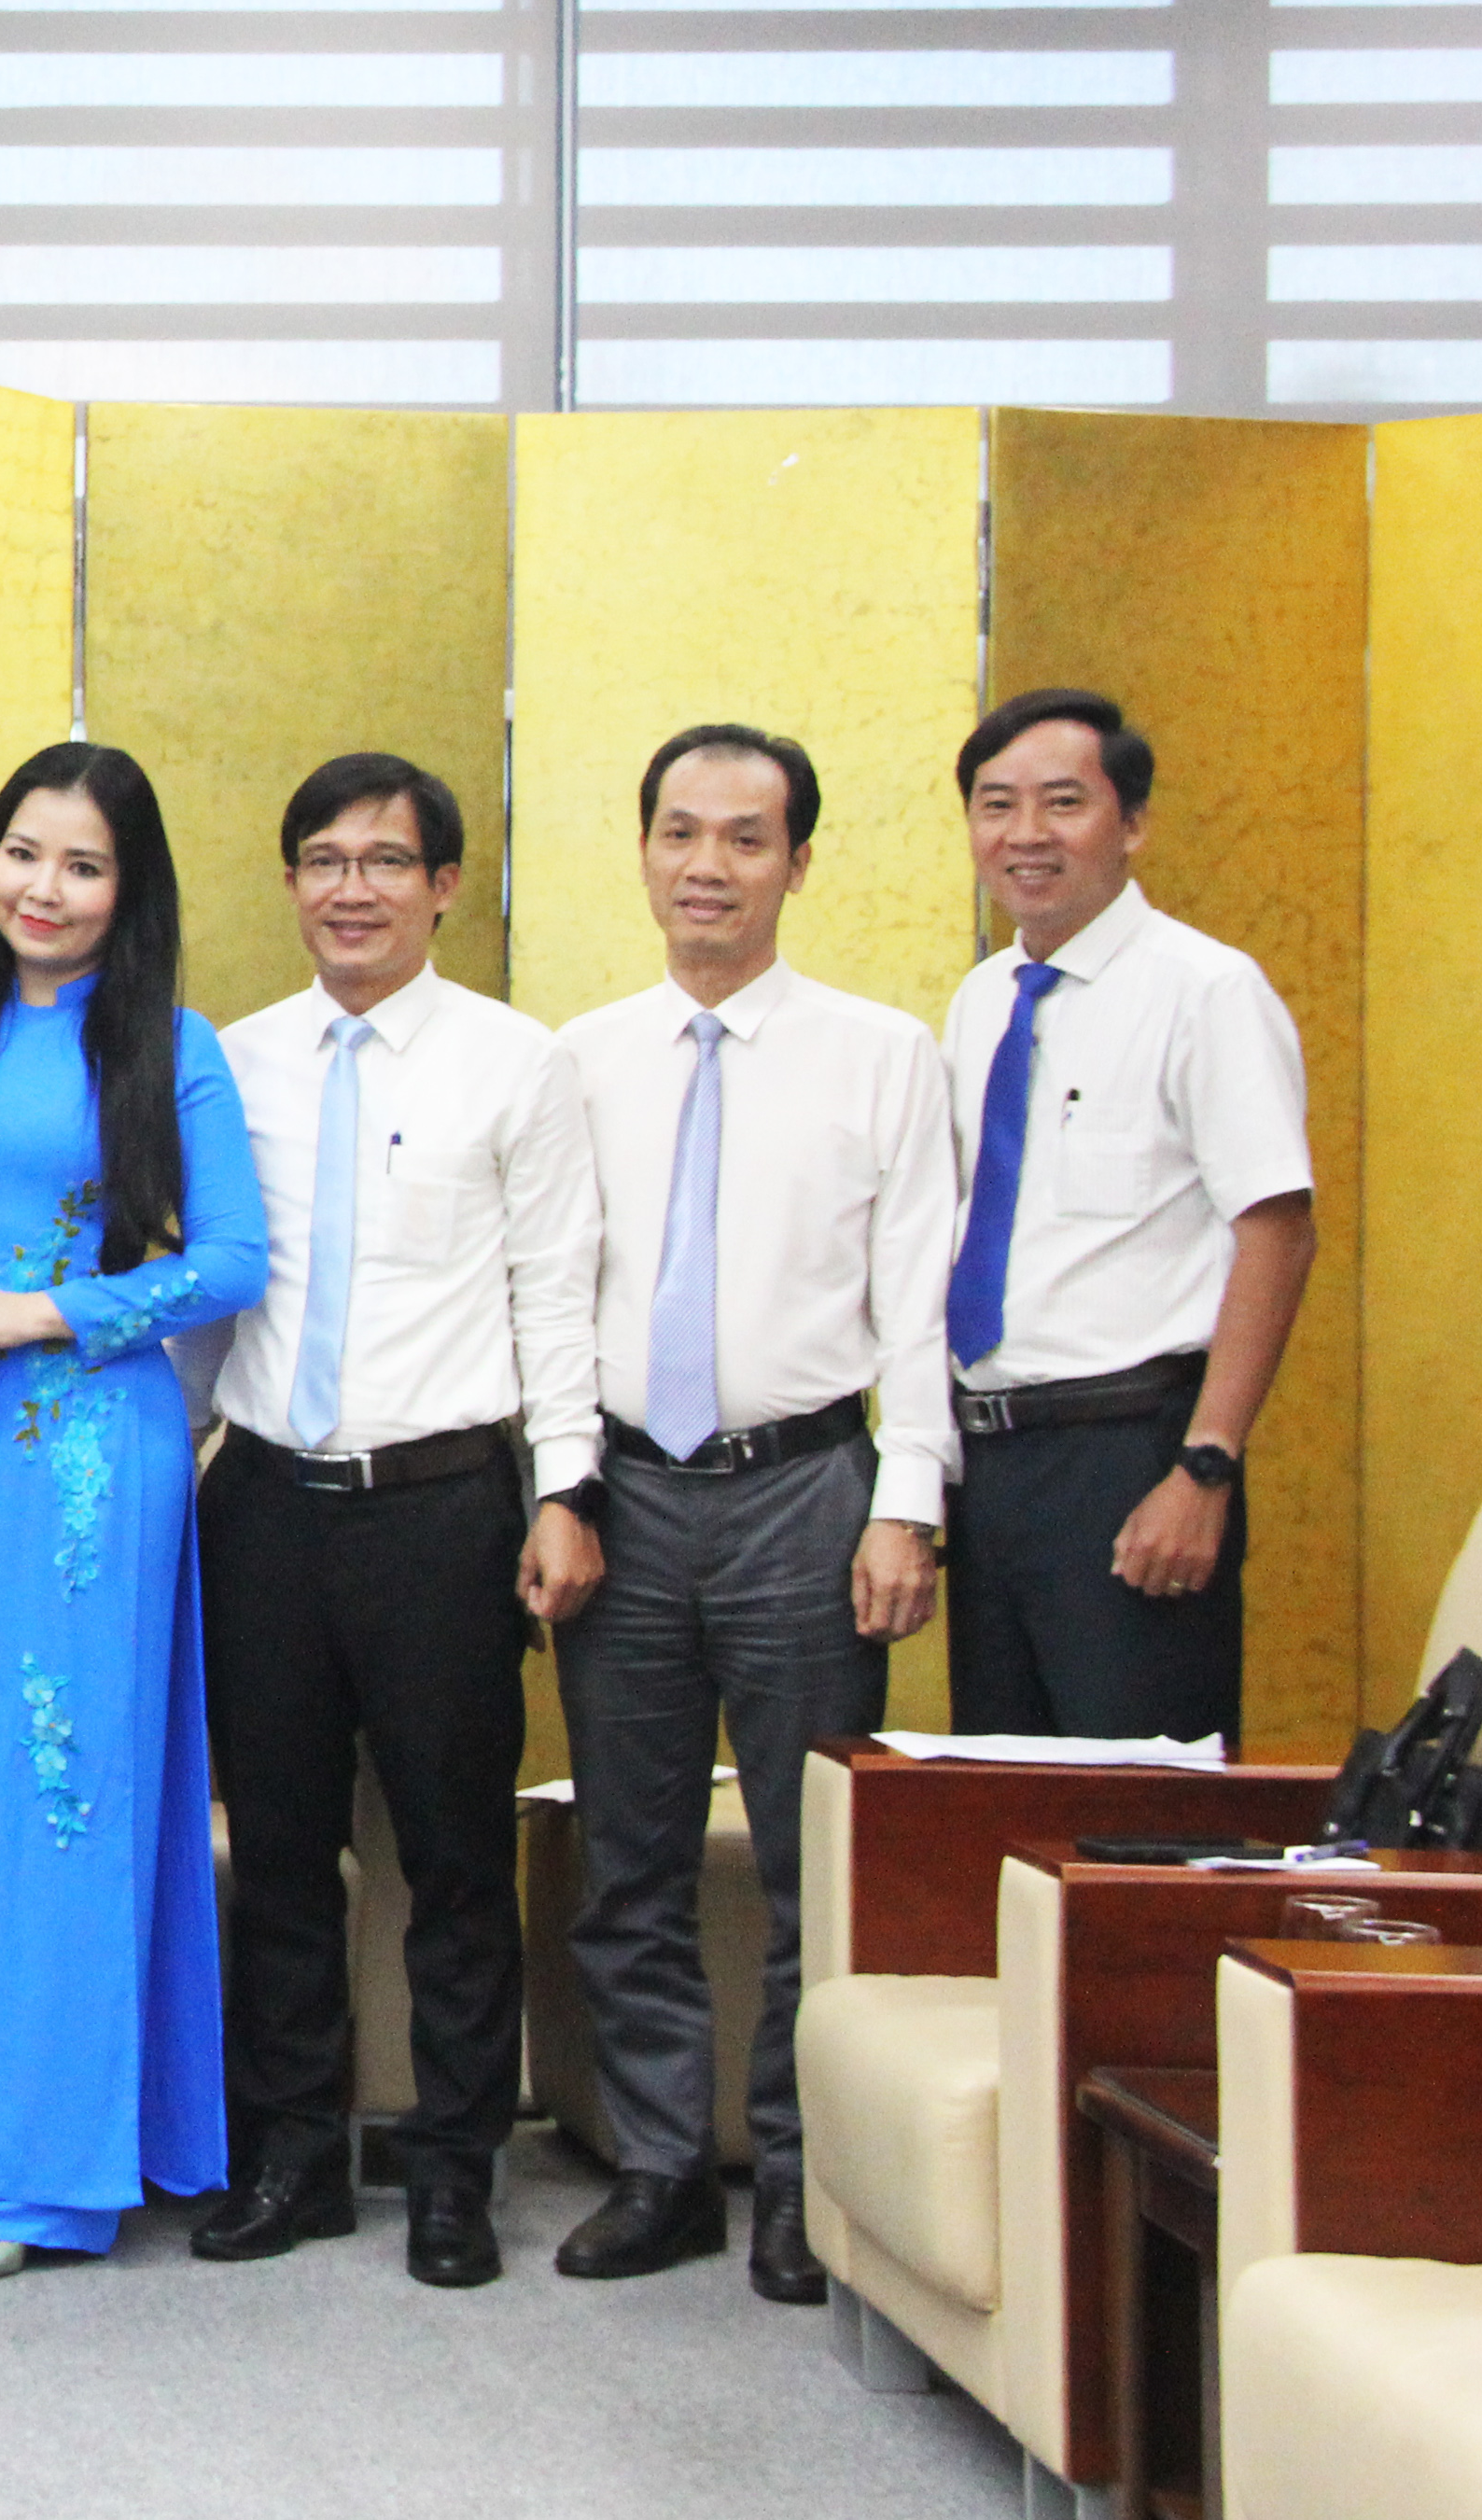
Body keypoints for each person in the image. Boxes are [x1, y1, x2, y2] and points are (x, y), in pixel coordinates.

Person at [554, 725, 954, 2304]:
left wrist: (901, 1505)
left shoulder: (880, 1053)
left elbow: (915, 1296)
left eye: (741, 837)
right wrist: (560, 1486)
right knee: (628, 1857)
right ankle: (658, 2167)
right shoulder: (576, 1058)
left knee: (811, 1867)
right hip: (624, 1492)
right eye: (675, 832)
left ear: (797, 859)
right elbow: (545, 1295)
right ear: (640, 850)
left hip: (805, 1489)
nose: (703, 865)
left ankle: (796, 2183)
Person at [192, 753, 601, 2293]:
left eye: (381, 859)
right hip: (262, 1511)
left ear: (440, 884)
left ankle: (449, 2170)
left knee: (445, 1855)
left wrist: (561, 1489)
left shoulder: (515, 1063)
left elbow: (550, 1290)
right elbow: (200, 1297)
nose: (347, 887)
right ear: (288, 885)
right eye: (318, 859)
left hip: (438, 1510)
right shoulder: (226, 1064)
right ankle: (291, 2158)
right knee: (281, 1854)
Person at [0, 741, 268, 2283]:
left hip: (84, 1465)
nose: (42, 888)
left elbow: (228, 1265)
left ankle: (39, 2176)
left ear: (129, 891)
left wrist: (40, 1311)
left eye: (82, 864)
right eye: (21, 854)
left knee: (58, 1788)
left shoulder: (167, 1043)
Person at [940, 688, 1316, 1746]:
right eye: (994, 804)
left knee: (1139, 1810)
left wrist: (1206, 1465)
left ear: (1133, 822)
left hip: (1132, 1454)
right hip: (994, 1464)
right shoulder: (984, 1000)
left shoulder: (1206, 990)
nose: (1025, 835)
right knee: (1008, 1809)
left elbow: (1278, 1230)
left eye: (1063, 803)